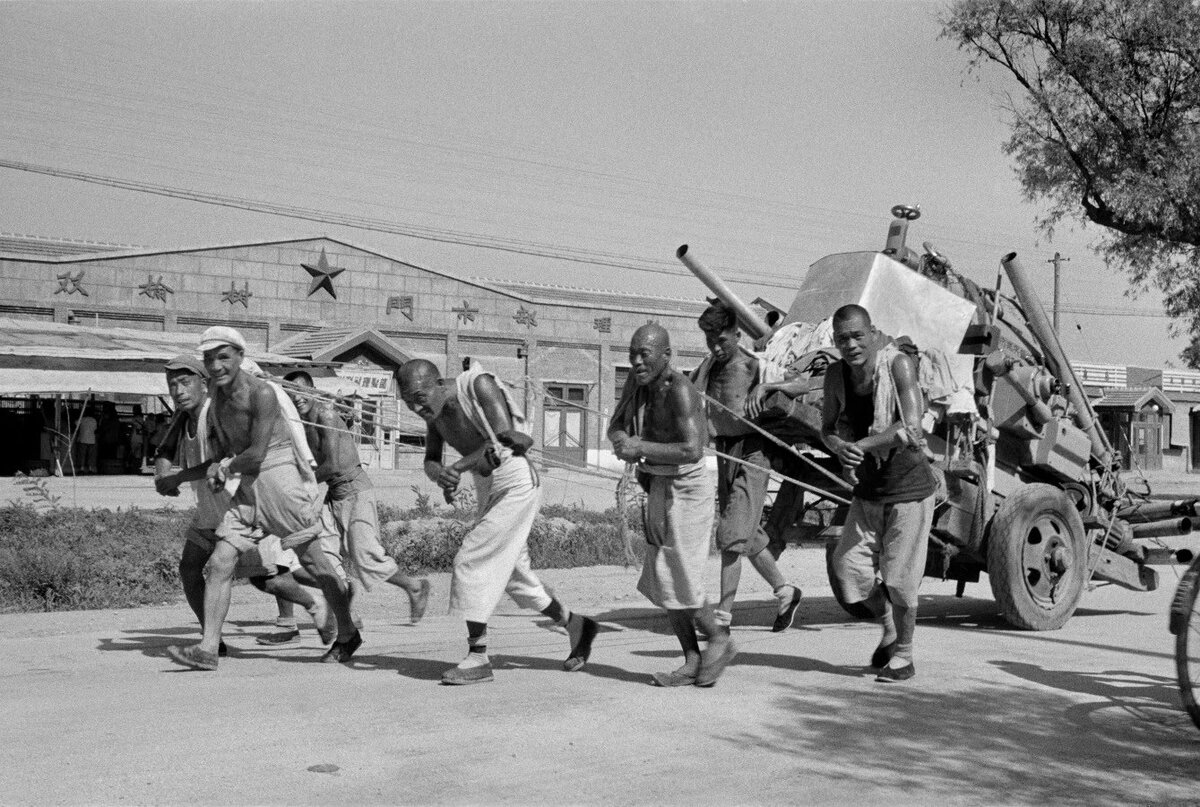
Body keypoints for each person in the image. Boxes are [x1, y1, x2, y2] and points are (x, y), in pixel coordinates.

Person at [165, 326, 358, 671]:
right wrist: (216, 467)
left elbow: (255, 454)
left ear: (240, 357)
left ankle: (347, 631)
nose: (217, 365)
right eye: (210, 359)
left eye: (223, 357)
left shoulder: (263, 393)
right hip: (247, 484)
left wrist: (224, 467)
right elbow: (227, 449)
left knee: (315, 563)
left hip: (279, 477)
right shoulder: (217, 396)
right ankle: (208, 648)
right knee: (221, 560)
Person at [398, 358, 599, 685]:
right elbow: (431, 461)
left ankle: (477, 657)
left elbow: (506, 440)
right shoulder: (433, 414)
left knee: (471, 558)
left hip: (515, 479)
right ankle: (576, 625)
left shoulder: (476, 385)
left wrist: (460, 466)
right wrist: (442, 475)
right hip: (486, 484)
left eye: (419, 398)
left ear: (437, 383)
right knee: (515, 578)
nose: (416, 407)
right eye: (408, 403)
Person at [608, 324, 735, 688]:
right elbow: (616, 425)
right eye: (632, 353)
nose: (635, 361)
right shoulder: (636, 383)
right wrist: (620, 440)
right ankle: (692, 658)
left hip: (688, 486)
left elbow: (693, 449)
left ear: (666, 356)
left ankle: (720, 639)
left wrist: (641, 448)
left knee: (682, 572)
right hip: (657, 482)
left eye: (644, 354)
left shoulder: (680, 390)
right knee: (664, 575)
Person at [821, 304, 937, 683]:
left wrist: (864, 444)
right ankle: (887, 623)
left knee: (901, 581)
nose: (851, 344)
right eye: (842, 339)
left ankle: (904, 656)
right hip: (868, 492)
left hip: (909, 491)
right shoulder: (836, 375)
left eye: (857, 335)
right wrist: (839, 446)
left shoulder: (898, 365)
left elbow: (912, 427)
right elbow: (828, 429)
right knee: (848, 570)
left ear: (872, 333)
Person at [271, 370, 430, 638]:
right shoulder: (300, 423)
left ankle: (414, 586)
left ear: (313, 391)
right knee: (324, 557)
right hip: (333, 495)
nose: (297, 399)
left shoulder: (326, 416)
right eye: (290, 394)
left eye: (301, 392)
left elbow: (331, 464)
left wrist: (300, 484)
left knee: (366, 557)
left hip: (356, 493)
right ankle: (348, 616)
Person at [692, 300, 802, 633]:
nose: (716, 347)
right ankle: (786, 592)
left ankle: (723, 618)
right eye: (710, 340)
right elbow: (688, 397)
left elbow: (801, 383)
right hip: (726, 453)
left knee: (730, 537)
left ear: (736, 334)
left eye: (721, 340)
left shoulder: (755, 366)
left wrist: (770, 386)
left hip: (755, 454)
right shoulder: (707, 367)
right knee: (748, 535)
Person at [76, 404, 98, 474]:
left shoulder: (82, 419)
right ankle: (90, 468)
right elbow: (95, 429)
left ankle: (82, 468)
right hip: (92, 440)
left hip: (83, 439)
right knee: (90, 455)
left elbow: (75, 424)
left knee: (82, 455)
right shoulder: (94, 420)